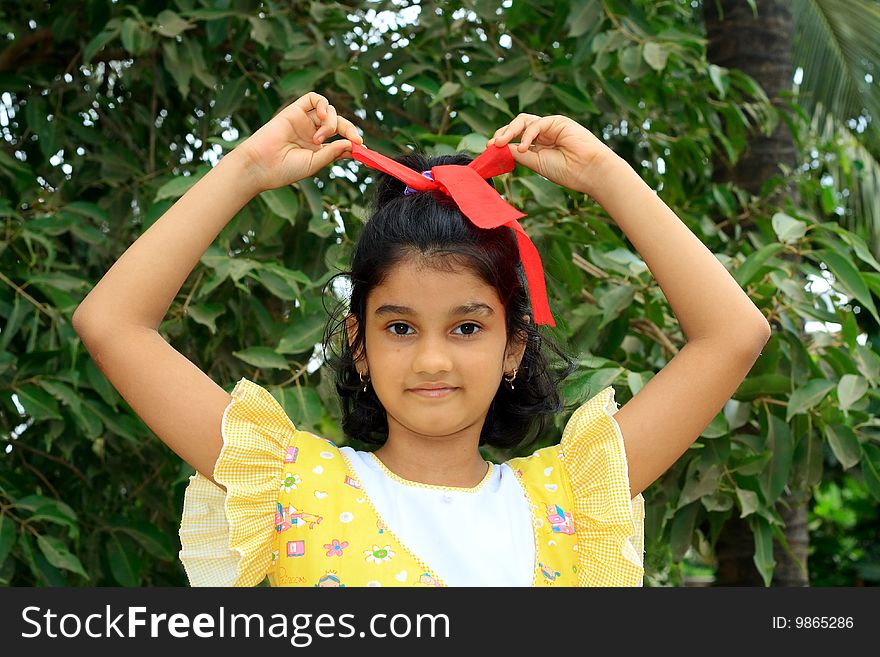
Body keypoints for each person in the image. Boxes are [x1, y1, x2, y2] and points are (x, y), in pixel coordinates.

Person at [73, 92, 771, 588]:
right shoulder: (291, 484)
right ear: (359, 343)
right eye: (400, 326)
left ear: (512, 345)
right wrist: (248, 170)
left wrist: (603, 175)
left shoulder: (568, 500)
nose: (432, 359)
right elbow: (111, 324)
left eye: (467, 326)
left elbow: (734, 334)